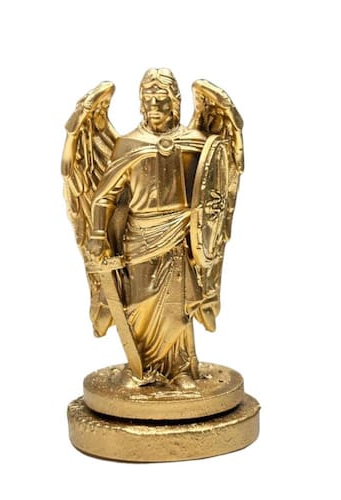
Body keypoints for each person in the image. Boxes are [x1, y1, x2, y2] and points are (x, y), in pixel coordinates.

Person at [87, 69, 206, 388]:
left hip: (177, 234)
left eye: (161, 100)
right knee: (138, 303)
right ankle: (142, 367)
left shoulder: (194, 142)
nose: (154, 106)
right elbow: (104, 196)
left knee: (176, 305)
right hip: (139, 236)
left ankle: (180, 369)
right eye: (148, 100)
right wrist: (97, 235)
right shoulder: (129, 144)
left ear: (175, 102)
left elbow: (211, 185)